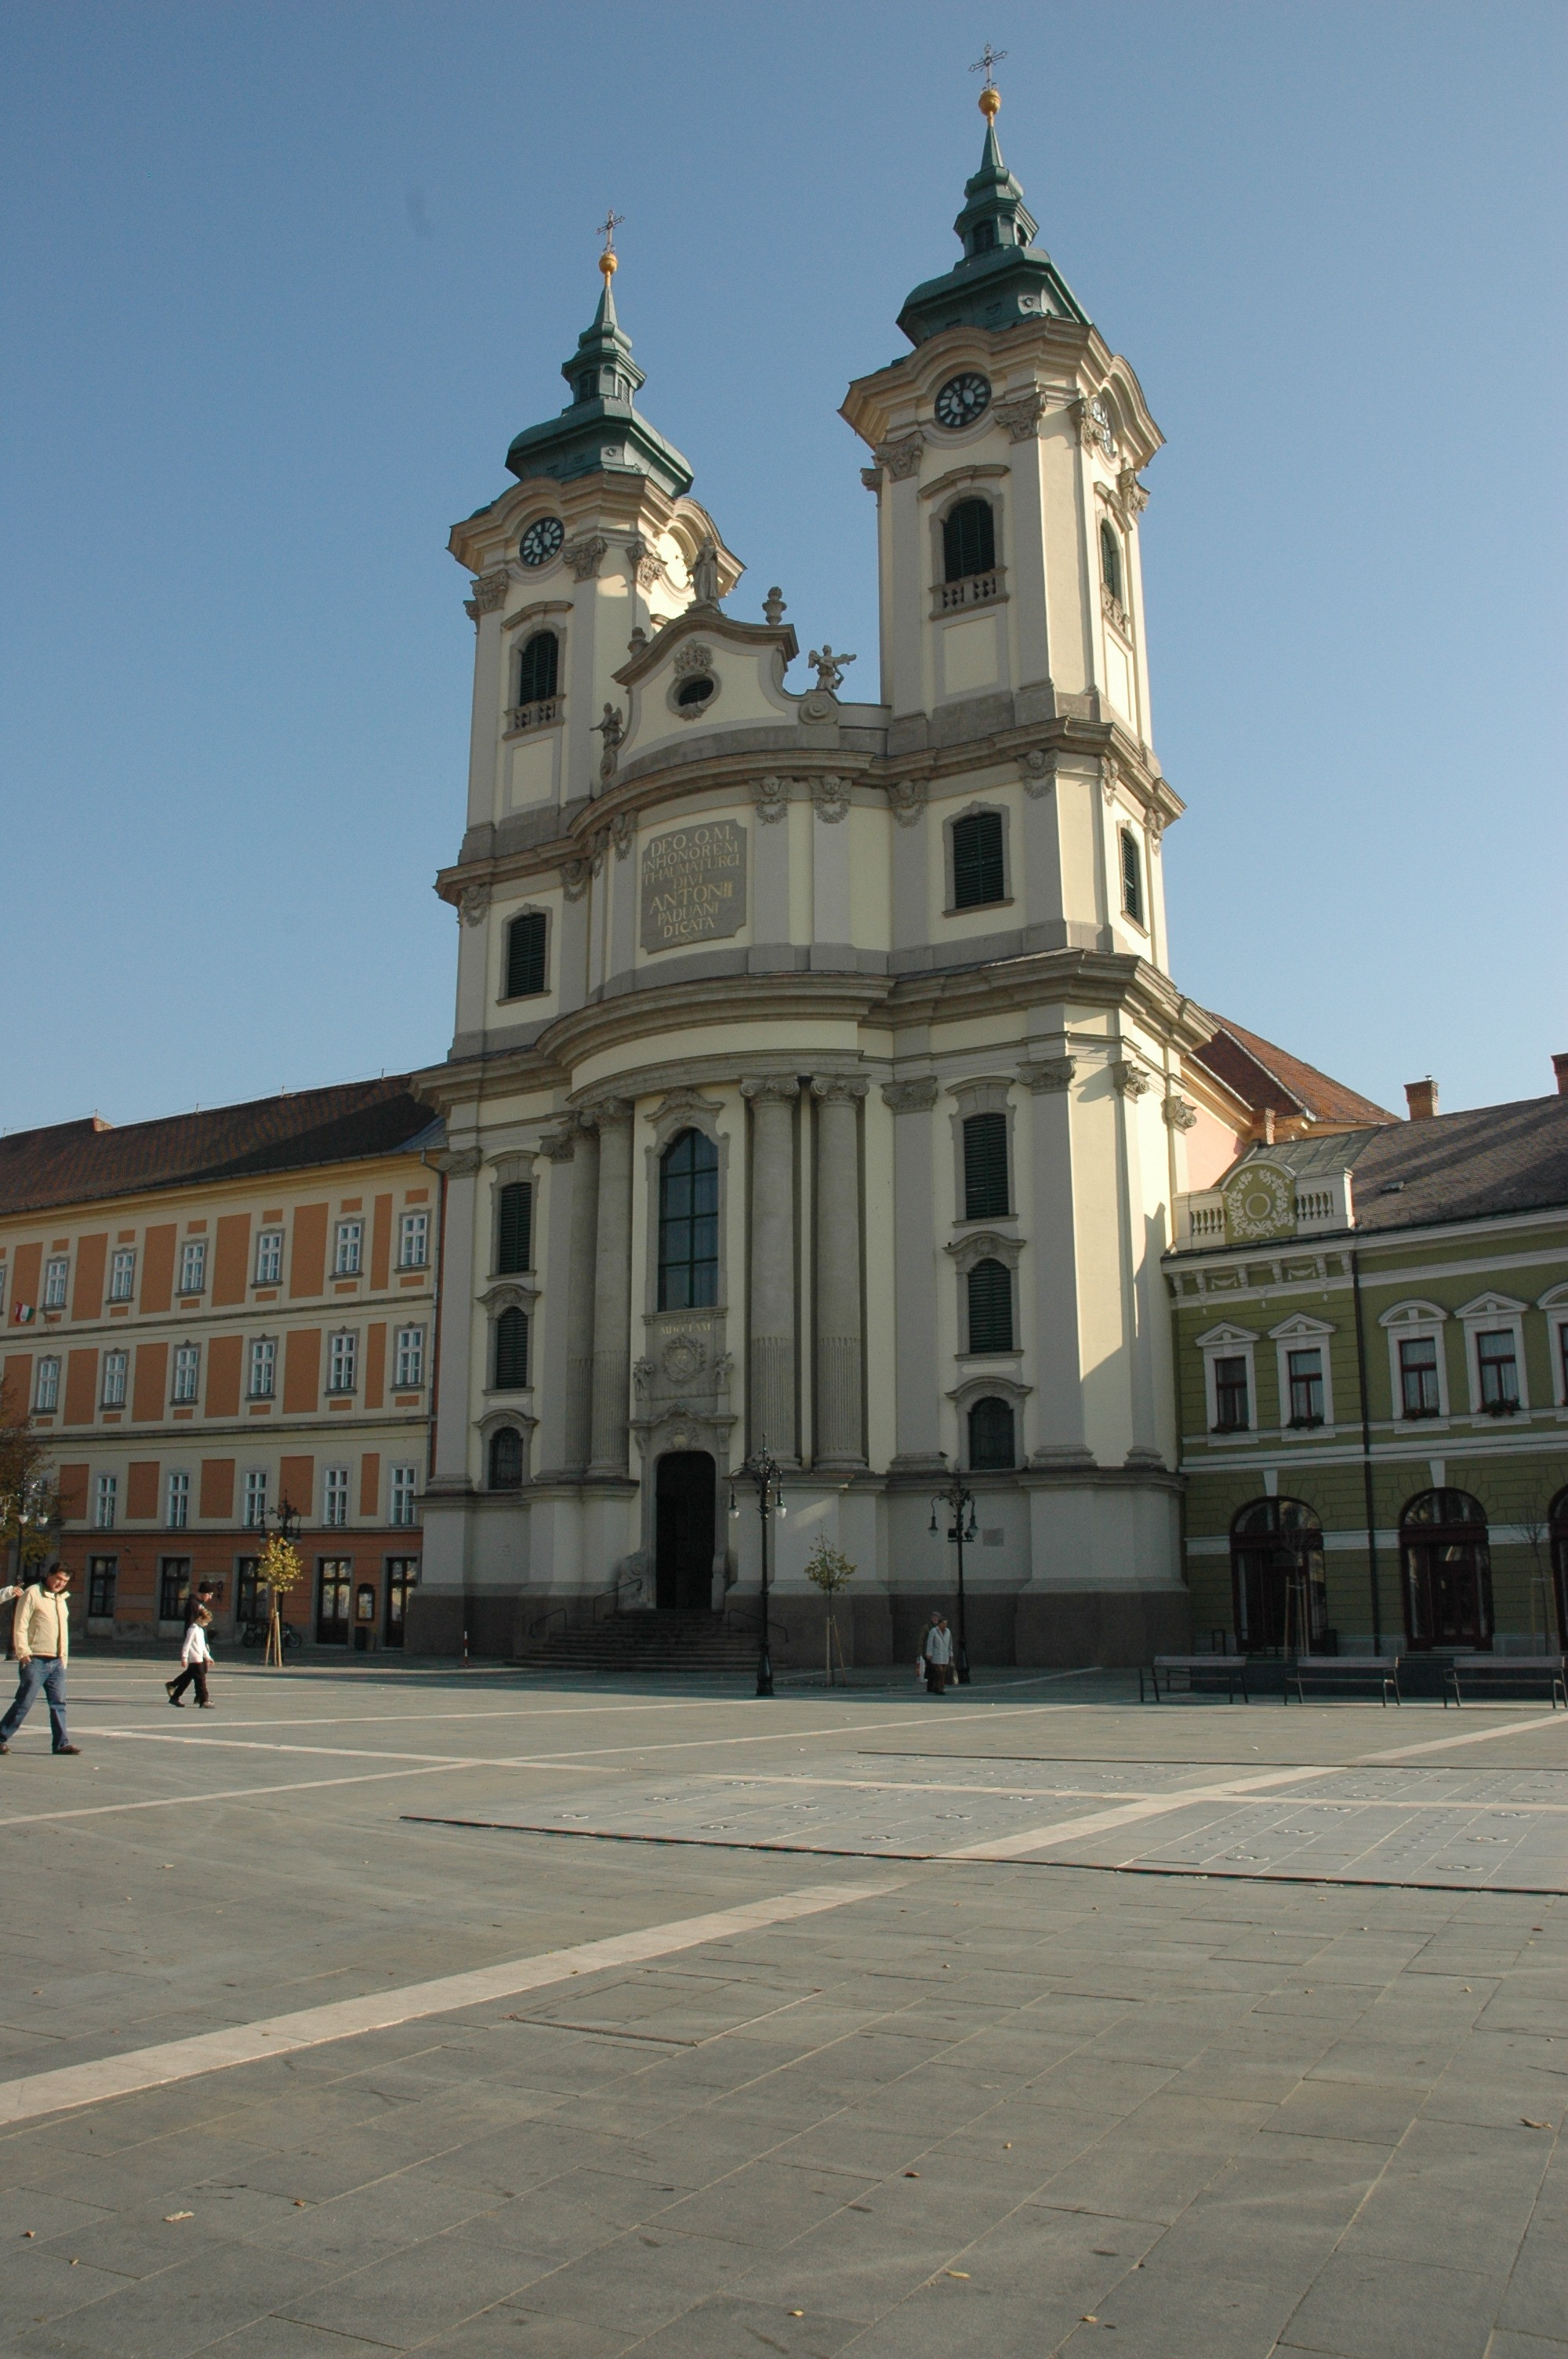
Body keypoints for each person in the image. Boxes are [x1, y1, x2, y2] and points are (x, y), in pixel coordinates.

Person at [0, 1564, 80, 1756]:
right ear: (49, 1575)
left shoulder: (61, 1598)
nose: (61, 1584)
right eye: (59, 1579)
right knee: (24, 1702)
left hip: (56, 1661)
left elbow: (63, 1632)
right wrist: (22, 1651)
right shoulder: (33, 1593)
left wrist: (63, 1657)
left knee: (59, 1703)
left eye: (65, 1581)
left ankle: (61, 1744)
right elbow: (20, 1624)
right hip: (34, 1659)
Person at [167, 1607, 214, 1709]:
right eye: (206, 1621)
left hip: (199, 1659)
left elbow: (202, 1646)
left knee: (186, 1680)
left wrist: (208, 1657)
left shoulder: (200, 1630)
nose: (206, 1624)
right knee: (201, 1681)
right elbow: (187, 1644)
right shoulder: (192, 1630)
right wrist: (184, 1657)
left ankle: (175, 1698)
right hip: (195, 1660)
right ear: (200, 1618)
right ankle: (204, 1700)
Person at [921, 1612, 953, 1696]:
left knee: (943, 1673)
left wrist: (951, 1653)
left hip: (945, 1656)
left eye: (946, 1624)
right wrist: (929, 1653)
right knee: (940, 1671)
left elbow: (950, 1643)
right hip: (936, 1656)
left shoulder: (948, 1631)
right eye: (943, 1623)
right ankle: (937, 1686)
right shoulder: (933, 1631)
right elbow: (930, 1643)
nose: (944, 1625)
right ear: (939, 1624)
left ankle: (940, 1688)